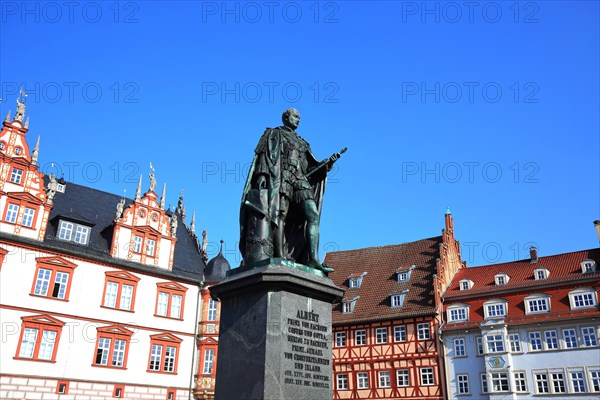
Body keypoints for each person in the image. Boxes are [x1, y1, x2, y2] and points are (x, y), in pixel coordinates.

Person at [240, 108, 342, 274]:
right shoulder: (274, 133)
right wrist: (262, 175)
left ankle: (314, 259)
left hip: (300, 179)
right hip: (282, 177)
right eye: (296, 116)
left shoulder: (303, 142)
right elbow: (264, 156)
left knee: (312, 215)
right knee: (280, 215)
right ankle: (280, 255)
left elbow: (310, 167)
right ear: (285, 117)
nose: (298, 120)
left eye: (299, 117)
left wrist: (326, 164)